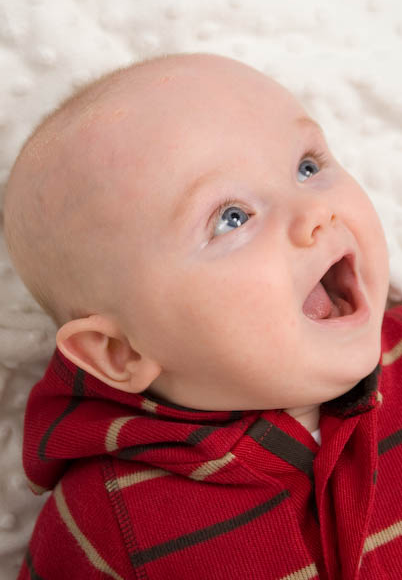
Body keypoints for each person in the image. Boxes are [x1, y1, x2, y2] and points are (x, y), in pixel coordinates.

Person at [3, 53, 402, 580]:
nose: (314, 213)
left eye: (308, 166)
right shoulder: (111, 521)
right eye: (231, 217)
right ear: (121, 351)